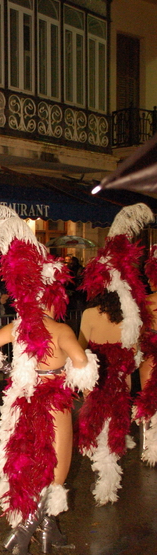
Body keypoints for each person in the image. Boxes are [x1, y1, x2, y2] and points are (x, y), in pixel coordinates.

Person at [0, 205, 98, 555]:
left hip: (23, 402)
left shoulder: (19, 327)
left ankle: (47, 530)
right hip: (54, 404)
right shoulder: (62, 331)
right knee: (58, 470)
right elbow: (85, 372)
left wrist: (9, 369)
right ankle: (25, 531)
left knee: (30, 468)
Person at [77, 203, 153, 506]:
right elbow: (134, 351)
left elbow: (80, 348)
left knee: (95, 424)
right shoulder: (131, 317)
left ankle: (103, 477)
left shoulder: (89, 313)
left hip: (96, 380)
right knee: (116, 425)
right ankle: (109, 479)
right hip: (121, 380)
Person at [134, 245, 157, 465]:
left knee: (149, 399)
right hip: (150, 350)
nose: (149, 281)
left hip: (150, 352)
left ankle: (149, 448)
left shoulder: (147, 303)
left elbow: (138, 331)